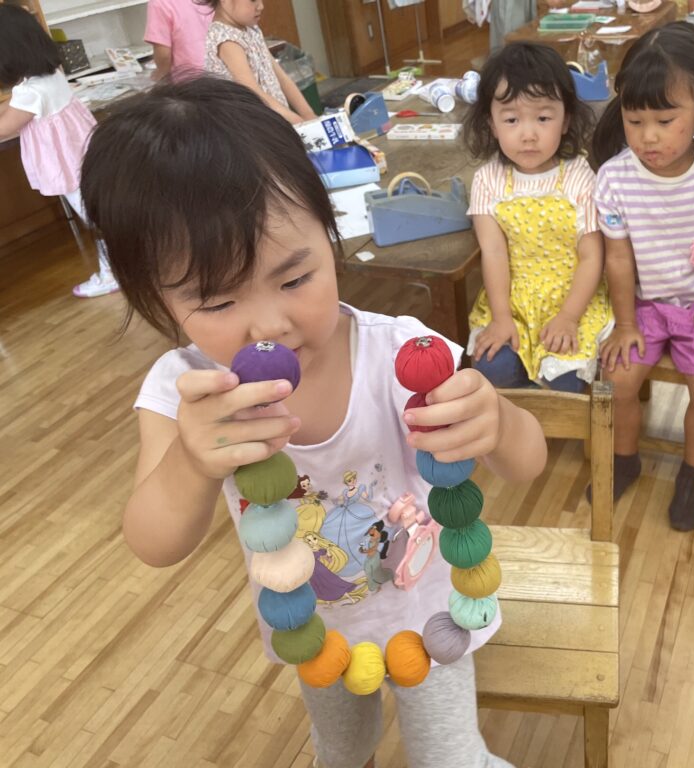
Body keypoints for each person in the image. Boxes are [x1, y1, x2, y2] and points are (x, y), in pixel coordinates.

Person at [80, 76, 547, 768]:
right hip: (314, 630)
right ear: (157, 299)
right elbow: (154, 542)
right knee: (342, 750)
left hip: (431, 612)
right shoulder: (186, 394)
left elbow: (528, 461)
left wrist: (498, 421)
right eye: (217, 302)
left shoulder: (401, 353)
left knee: (451, 757)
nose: (269, 325)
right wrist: (190, 461)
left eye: (296, 279)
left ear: (331, 237)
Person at [591, 21, 694, 531]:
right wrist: (625, 323)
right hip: (645, 308)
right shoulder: (615, 177)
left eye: (664, 119)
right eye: (635, 121)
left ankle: (692, 476)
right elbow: (617, 258)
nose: (648, 136)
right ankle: (625, 460)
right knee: (618, 380)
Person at [463, 42, 611, 393]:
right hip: (512, 300)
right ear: (492, 123)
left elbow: (592, 257)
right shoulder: (487, 180)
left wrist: (568, 318)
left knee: (564, 382)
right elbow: (494, 253)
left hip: (572, 299)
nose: (528, 135)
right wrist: (501, 318)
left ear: (566, 119)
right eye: (511, 120)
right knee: (492, 368)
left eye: (543, 118)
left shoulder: (579, 177)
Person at [0, 5, 118, 298]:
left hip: (68, 167)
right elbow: (13, 110)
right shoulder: (51, 74)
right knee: (103, 214)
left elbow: (6, 127)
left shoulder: (30, 92)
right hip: (84, 156)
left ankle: (112, 274)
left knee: (96, 220)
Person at [200, 0, 315, 124]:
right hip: (254, 127)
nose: (261, 6)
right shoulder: (226, 40)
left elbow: (281, 76)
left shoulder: (251, 29)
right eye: (253, 0)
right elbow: (252, 90)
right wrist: (296, 120)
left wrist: (308, 114)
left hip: (276, 120)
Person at [144, 0, 213, 81]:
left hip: (190, 78)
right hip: (220, 69)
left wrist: (161, 75)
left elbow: (164, 54)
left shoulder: (160, 3)